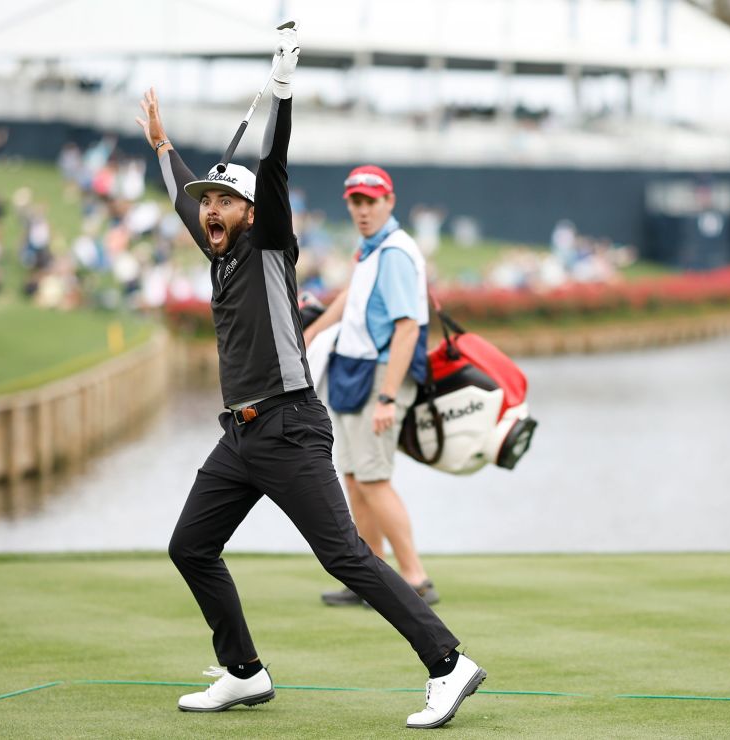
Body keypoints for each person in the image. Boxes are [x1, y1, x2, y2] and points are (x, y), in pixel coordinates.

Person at [134, 26, 485, 730]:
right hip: (240, 437)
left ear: (251, 213)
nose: (209, 212)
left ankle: (448, 664)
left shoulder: (267, 245)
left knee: (345, 557)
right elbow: (182, 197)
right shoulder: (220, 252)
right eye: (207, 207)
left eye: (222, 203)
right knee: (190, 547)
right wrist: (165, 150)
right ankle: (243, 672)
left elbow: (274, 167)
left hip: (290, 426)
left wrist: (283, 97)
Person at [304, 166, 441, 609]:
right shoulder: (370, 247)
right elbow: (350, 298)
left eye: (371, 201)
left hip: (382, 374)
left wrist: (386, 396)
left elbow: (406, 329)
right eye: (356, 202)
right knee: (354, 478)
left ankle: (415, 579)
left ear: (389, 201)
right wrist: (310, 332)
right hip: (354, 368)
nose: (362, 210)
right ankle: (372, 578)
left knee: (374, 478)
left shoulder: (397, 251)